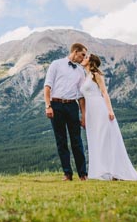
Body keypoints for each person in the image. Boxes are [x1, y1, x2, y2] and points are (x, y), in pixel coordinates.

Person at [80, 53, 137, 181]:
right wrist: (84, 114)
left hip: (99, 108)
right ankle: (101, 171)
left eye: (86, 57)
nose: (83, 58)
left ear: (91, 62)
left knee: (104, 139)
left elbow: (104, 93)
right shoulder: (85, 76)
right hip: (90, 112)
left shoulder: (96, 75)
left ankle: (113, 171)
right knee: (95, 139)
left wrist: (110, 110)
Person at [44, 42, 88, 181]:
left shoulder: (81, 71)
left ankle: (83, 174)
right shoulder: (56, 64)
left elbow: (81, 96)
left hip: (72, 106)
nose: (83, 57)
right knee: (61, 141)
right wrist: (48, 106)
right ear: (75, 52)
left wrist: (84, 115)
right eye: (82, 54)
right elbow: (47, 87)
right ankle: (67, 174)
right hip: (56, 105)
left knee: (77, 140)